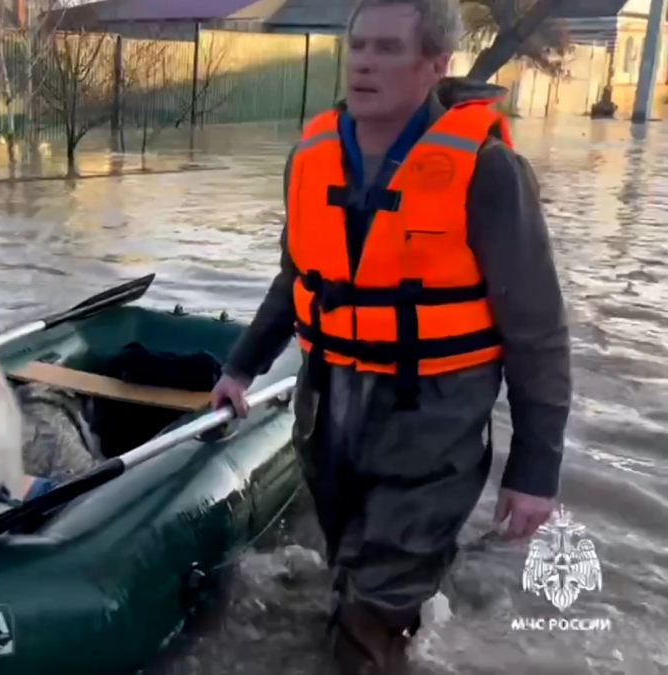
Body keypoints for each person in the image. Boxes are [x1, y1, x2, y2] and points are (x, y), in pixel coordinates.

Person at [210, 0, 571, 672]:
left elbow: (539, 331)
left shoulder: (488, 172)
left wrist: (535, 469)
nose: (365, 63)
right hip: (329, 412)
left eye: (387, 49)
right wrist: (241, 366)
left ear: (436, 64)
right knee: (346, 569)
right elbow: (297, 277)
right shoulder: (310, 157)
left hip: (433, 420)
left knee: (367, 617)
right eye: (358, 48)